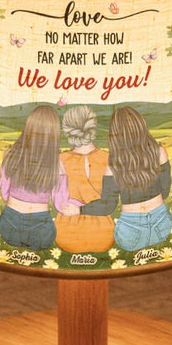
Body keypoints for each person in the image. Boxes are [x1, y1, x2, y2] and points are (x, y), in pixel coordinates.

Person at [80, 105, 172, 252]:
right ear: (141, 126)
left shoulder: (113, 166)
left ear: (115, 135)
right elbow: (165, 191)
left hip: (130, 234)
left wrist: (79, 209)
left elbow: (108, 206)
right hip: (163, 226)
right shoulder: (159, 152)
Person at [0, 104, 78, 253]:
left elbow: (4, 192)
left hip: (7, 227)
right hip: (40, 232)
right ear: (54, 133)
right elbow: (61, 204)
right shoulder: (57, 163)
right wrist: (82, 205)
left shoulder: (10, 154)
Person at [54, 105, 115, 254]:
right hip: (104, 236)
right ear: (93, 128)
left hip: (66, 236)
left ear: (67, 132)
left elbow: (58, 203)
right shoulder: (109, 159)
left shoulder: (60, 160)